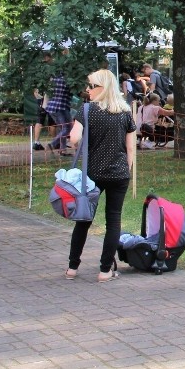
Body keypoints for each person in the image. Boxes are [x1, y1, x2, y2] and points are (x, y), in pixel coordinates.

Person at [64, 69, 137, 282]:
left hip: (92, 173)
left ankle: (72, 268)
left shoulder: (87, 111)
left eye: (91, 86)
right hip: (119, 173)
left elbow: (74, 138)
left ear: (102, 88)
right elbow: (131, 149)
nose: (88, 90)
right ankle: (105, 270)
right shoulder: (125, 113)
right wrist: (127, 170)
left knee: (84, 219)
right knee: (113, 220)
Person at [46, 73, 73, 156]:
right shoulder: (68, 80)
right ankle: (52, 144)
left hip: (51, 107)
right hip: (61, 107)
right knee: (67, 128)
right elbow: (75, 92)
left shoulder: (53, 78)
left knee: (63, 129)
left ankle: (63, 150)